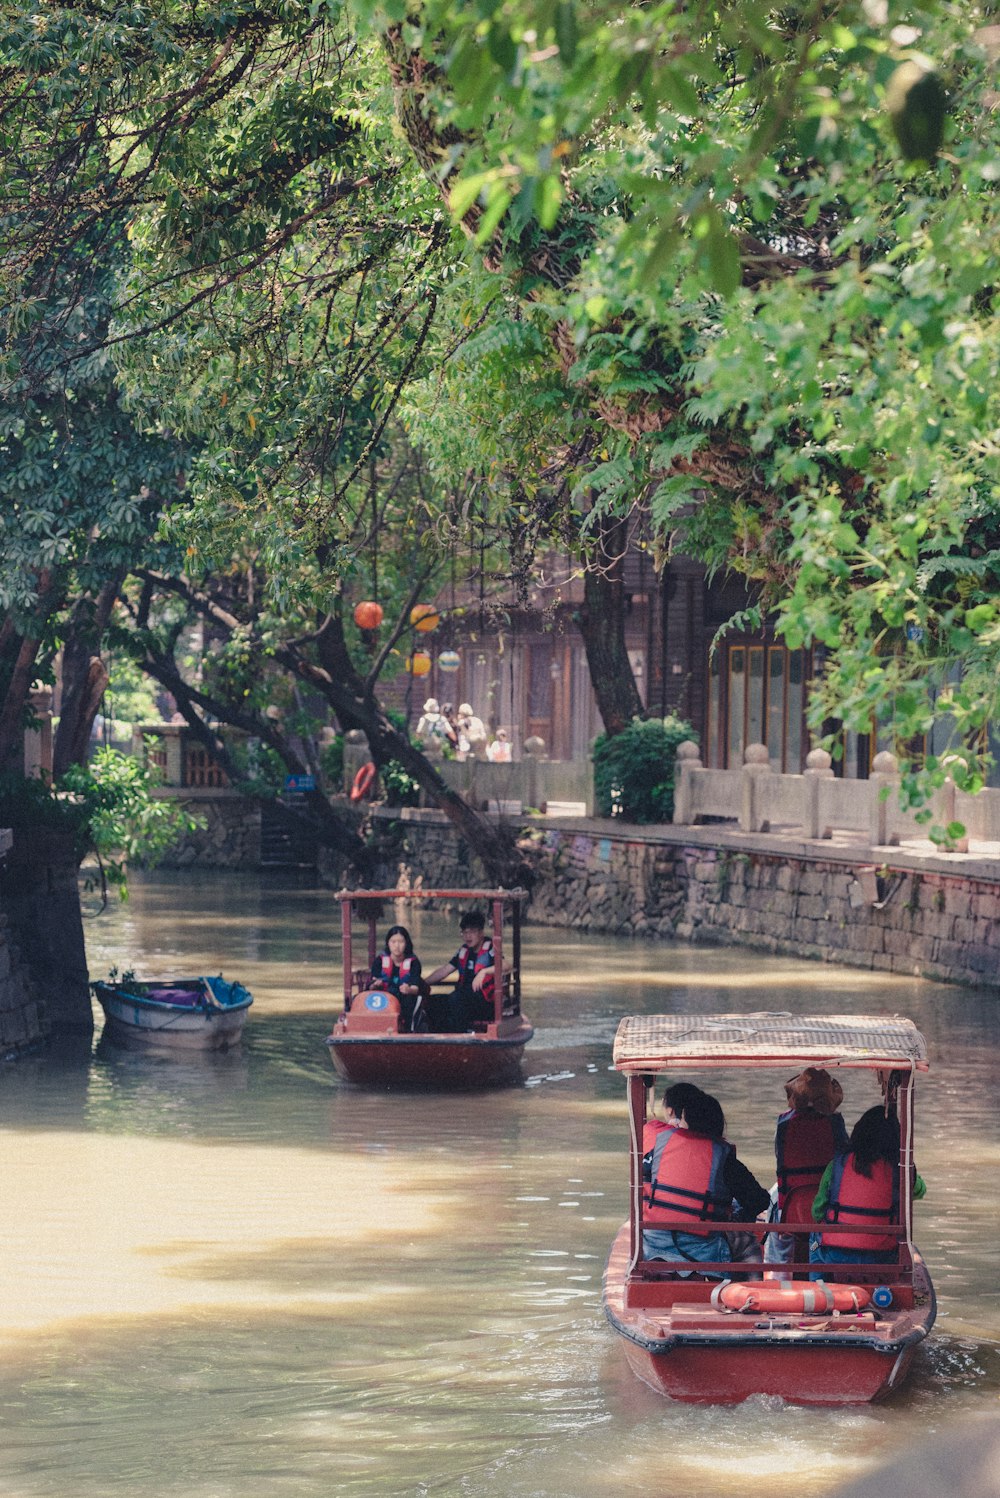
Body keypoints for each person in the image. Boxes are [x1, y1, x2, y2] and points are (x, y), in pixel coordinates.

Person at [642, 1082, 771, 1274]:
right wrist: (737, 1217)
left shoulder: (659, 1145)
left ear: (685, 1120)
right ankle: (750, 1295)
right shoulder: (724, 1158)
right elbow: (760, 1200)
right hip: (703, 1253)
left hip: (651, 1246)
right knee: (748, 1244)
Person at [810, 1104, 926, 1272]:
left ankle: (818, 1284)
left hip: (836, 1255)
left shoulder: (837, 1164)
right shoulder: (900, 1169)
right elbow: (920, 1191)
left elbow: (817, 1212)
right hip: (883, 1256)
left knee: (814, 1240)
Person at [764, 1067, 849, 1272]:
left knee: (773, 1212)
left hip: (792, 1204)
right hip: (829, 1202)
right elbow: (844, 1159)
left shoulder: (784, 1123)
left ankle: (777, 1277)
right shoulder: (835, 1123)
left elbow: (780, 1159)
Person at [425, 909, 496, 1032]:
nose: (468, 936)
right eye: (465, 932)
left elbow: (506, 965)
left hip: (484, 1001)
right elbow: (445, 970)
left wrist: (484, 972)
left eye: (472, 932)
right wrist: (422, 983)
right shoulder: (463, 951)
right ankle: (437, 1036)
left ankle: (461, 1035)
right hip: (463, 997)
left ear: (481, 933)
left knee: (456, 999)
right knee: (432, 1001)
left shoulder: (490, 948)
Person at [370, 925, 427, 1033]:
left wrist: (408, 989)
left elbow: (415, 987)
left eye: (401, 942)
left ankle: (410, 1029)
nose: (397, 946)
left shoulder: (414, 963)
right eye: (393, 942)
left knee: (411, 999)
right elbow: (372, 983)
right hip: (385, 997)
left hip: (406, 997)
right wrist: (376, 984)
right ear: (388, 943)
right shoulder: (379, 961)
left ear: (406, 943)